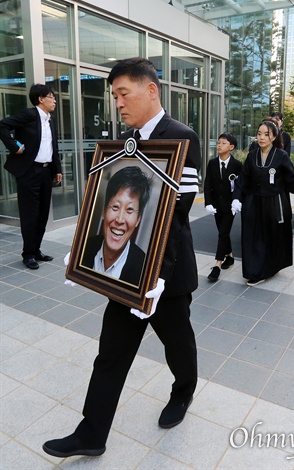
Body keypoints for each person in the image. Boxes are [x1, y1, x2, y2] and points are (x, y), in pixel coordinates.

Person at [43, 57, 201, 458]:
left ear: (151, 90)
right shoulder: (124, 142)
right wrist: (86, 252)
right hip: (127, 275)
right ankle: (92, 434)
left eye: (122, 93)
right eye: (114, 96)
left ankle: (183, 392)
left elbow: (175, 210)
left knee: (177, 344)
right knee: (110, 353)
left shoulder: (181, 136)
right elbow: (108, 204)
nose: (117, 103)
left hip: (167, 272)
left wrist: (155, 275)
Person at [231, 120, 294, 287]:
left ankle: (269, 268)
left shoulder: (281, 155)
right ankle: (254, 271)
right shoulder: (252, 155)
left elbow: (292, 178)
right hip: (253, 202)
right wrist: (236, 198)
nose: (261, 137)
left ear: (274, 137)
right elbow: (243, 179)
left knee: (271, 237)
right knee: (253, 237)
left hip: (274, 203)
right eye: (259, 134)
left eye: (266, 134)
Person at [0, 84, 62, 270]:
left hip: (45, 172)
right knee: (30, 215)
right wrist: (14, 146)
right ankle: (28, 254)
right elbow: (2, 125)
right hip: (29, 172)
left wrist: (57, 169)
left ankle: (36, 250)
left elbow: (53, 147)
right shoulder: (29, 115)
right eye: (51, 97)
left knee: (43, 213)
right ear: (41, 99)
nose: (55, 100)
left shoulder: (50, 120)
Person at [82, 166, 151, 285]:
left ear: (138, 220)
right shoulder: (85, 247)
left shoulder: (144, 268)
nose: (120, 219)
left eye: (129, 209)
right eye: (115, 207)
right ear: (104, 211)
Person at [203, 133, 242, 281]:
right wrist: (208, 203)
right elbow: (208, 185)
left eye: (223, 143)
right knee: (222, 232)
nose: (219, 145)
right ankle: (230, 256)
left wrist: (237, 200)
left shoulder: (237, 165)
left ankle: (217, 265)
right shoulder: (212, 163)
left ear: (231, 147)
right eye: (218, 143)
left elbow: (240, 186)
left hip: (230, 206)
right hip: (216, 206)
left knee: (223, 233)